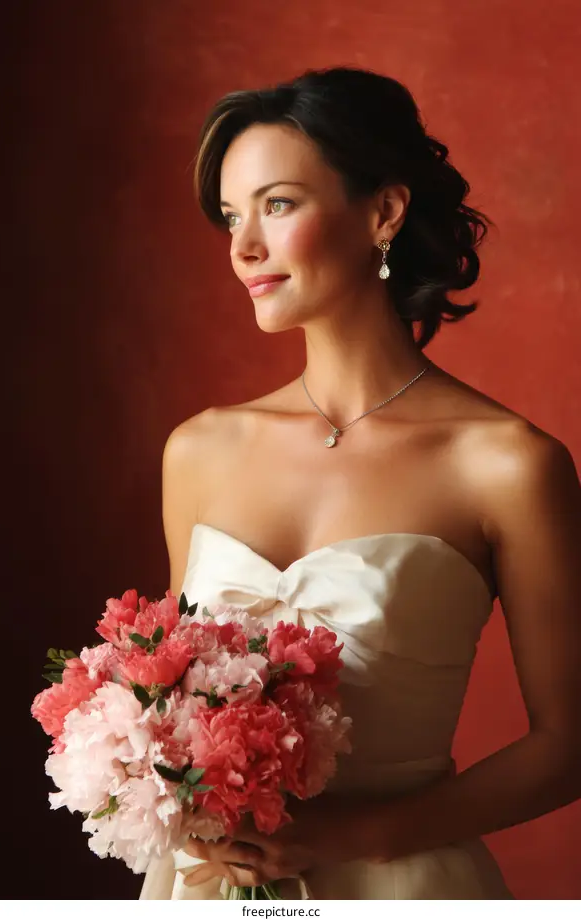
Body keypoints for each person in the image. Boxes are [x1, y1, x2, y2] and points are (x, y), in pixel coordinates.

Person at [139, 66, 581, 900]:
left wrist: (359, 836)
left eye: (276, 205)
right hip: (211, 886)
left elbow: (570, 743)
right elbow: (174, 696)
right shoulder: (198, 449)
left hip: (404, 885)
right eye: (232, 217)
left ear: (383, 210)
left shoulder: (508, 463)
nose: (242, 248)